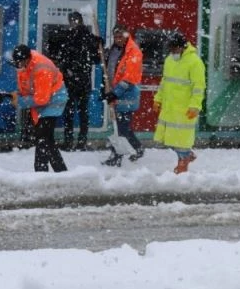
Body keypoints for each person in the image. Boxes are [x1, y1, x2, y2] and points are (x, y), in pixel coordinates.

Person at [153, 31, 206, 174]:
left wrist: (195, 106)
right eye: (170, 49)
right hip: (169, 107)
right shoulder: (169, 60)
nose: (172, 52)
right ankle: (187, 155)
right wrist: (158, 99)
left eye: (174, 49)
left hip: (184, 108)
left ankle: (183, 162)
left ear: (182, 47)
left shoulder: (194, 62)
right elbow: (164, 81)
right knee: (168, 139)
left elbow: (198, 86)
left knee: (181, 139)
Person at [11, 44, 68, 172]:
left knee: (42, 137)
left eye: (20, 63)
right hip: (43, 100)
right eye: (16, 63)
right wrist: (17, 95)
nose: (18, 66)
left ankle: (41, 172)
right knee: (47, 139)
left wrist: (20, 101)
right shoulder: (23, 64)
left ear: (27, 59)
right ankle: (61, 171)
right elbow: (25, 86)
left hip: (54, 100)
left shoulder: (42, 69)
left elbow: (42, 99)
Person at [101, 24, 144, 166]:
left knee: (122, 128)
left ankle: (125, 153)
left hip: (127, 96)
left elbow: (129, 78)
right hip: (115, 93)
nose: (118, 39)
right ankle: (128, 151)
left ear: (127, 35)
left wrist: (115, 93)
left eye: (121, 36)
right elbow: (107, 68)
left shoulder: (134, 52)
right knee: (119, 127)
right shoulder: (114, 50)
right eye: (116, 37)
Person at [58, 11, 101, 151]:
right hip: (81, 80)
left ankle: (71, 142)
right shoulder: (87, 37)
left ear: (79, 21)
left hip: (74, 81)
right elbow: (96, 59)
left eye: (74, 20)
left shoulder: (73, 37)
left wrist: (65, 69)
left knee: (71, 112)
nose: (73, 23)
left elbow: (64, 59)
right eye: (72, 20)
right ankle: (79, 142)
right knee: (80, 112)